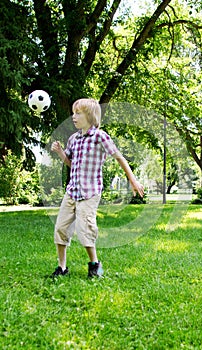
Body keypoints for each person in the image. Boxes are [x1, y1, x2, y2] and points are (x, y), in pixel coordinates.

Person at [50, 98, 144, 278]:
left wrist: (132, 180)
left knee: (85, 228)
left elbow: (119, 157)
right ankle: (62, 267)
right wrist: (61, 153)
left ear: (90, 116)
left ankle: (95, 265)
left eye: (78, 113)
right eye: (73, 113)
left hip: (90, 192)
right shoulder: (73, 139)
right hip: (72, 191)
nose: (74, 117)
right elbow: (71, 164)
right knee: (61, 228)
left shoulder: (100, 137)